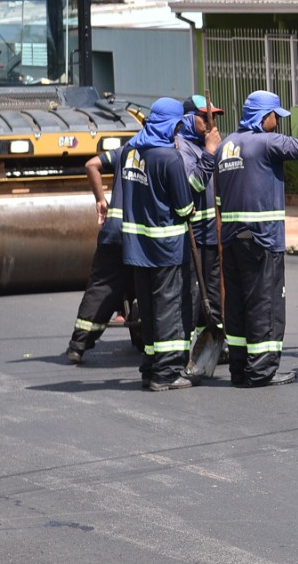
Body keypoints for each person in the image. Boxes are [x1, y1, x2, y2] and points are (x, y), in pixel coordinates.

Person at [214, 85, 298, 388]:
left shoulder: (225, 146)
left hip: (232, 240)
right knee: (266, 305)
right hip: (262, 240)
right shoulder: (266, 142)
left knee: (237, 305)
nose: (278, 120)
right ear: (265, 117)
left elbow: (220, 199)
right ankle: (263, 372)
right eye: (276, 115)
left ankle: (240, 369)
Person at [120, 97, 200, 391]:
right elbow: (183, 207)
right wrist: (189, 209)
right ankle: (165, 374)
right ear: (170, 124)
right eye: (177, 126)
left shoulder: (130, 151)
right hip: (166, 247)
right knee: (168, 309)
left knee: (150, 309)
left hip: (137, 247)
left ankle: (150, 367)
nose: (178, 132)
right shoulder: (169, 157)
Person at [65, 139, 137, 364]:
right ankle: (151, 342)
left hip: (113, 232)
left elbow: (91, 165)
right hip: (142, 235)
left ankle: (78, 345)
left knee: (102, 287)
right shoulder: (163, 153)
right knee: (150, 285)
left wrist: (100, 200)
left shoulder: (125, 150)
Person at [175, 94, 225, 360]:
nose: (210, 121)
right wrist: (209, 152)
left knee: (215, 296)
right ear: (187, 118)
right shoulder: (181, 148)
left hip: (212, 234)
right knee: (193, 297)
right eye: (204, 116)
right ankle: (183, 353)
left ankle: (215, 346)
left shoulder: (207, 146)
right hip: (192, 235)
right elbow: (193, 185)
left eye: (213, 116)